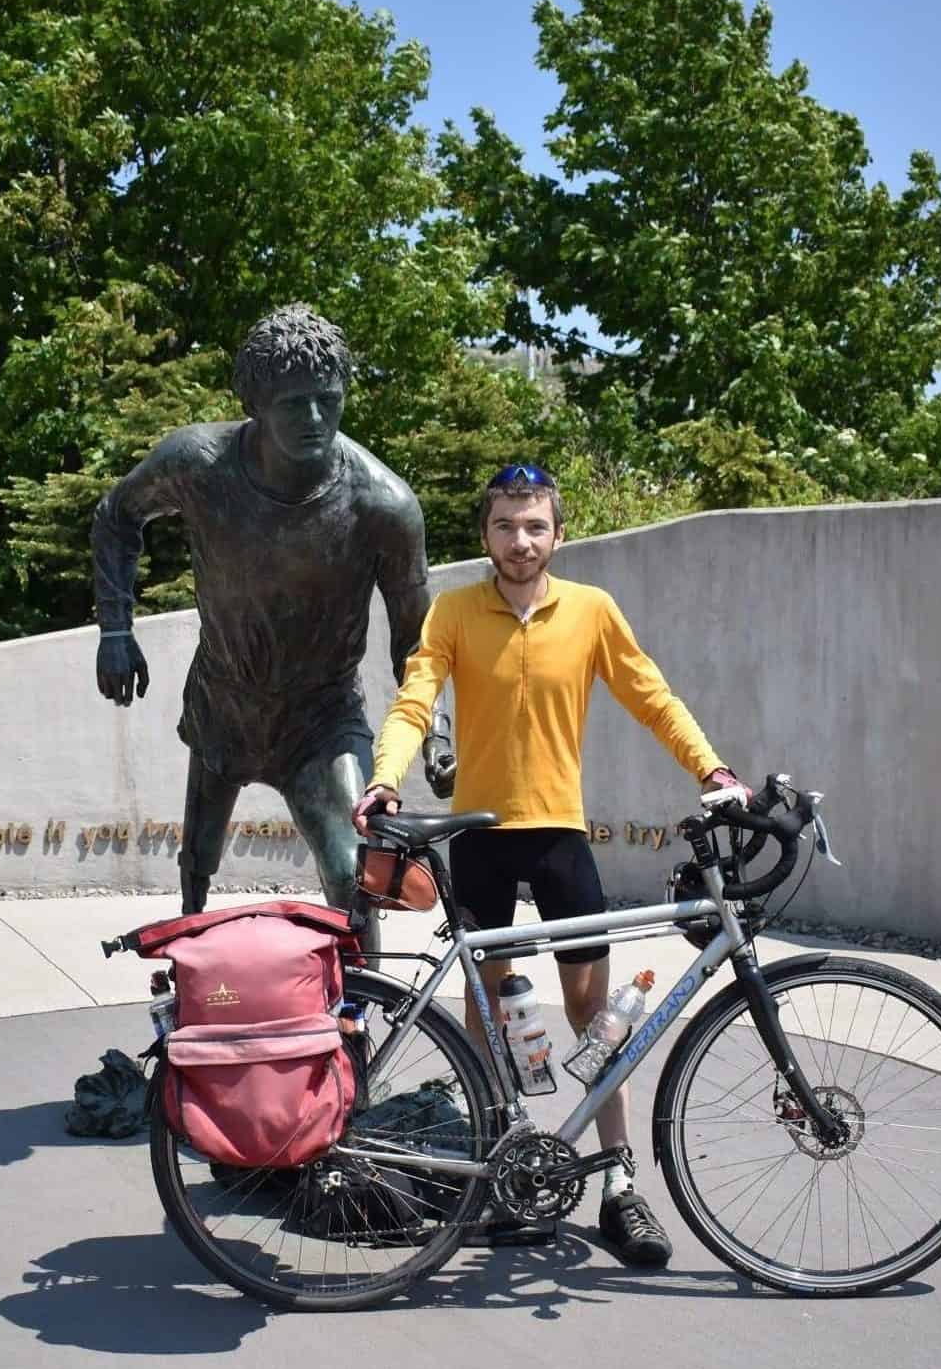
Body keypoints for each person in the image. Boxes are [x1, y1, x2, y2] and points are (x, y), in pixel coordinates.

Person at [352, 464, 746, 1265]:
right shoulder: (456, 611)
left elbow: (651, 695)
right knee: (489, 1015)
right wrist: (386, 776)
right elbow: (413, 699)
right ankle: (507, 1165)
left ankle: (619, 1183)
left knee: (594, 1016)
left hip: (561, 833)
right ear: (486, 534)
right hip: (483, 836)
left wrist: (712, 769)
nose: (520, 540)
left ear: (557, 534)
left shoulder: (591, 610)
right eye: (505, 525)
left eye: (535, 526)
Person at [92, 303, 451, 916]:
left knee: (352, 872)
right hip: (224, 699)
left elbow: (416, 642)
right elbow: (117, 515)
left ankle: (358, 1009)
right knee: (196, 865)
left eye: (327, 400)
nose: (315, 419)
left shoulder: (383, 505)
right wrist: (116, 630)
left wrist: (435, 731)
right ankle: (192, 986)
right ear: (255, 402)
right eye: (293, 403)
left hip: (321, 716)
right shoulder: (197, 465)